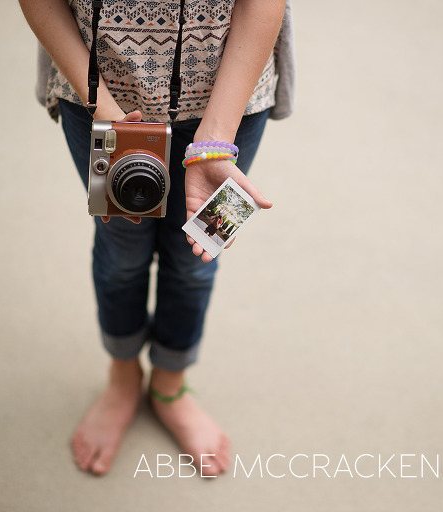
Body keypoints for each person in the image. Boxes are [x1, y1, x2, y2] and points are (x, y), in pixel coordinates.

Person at [18, 0, 294, 477]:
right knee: (121, 252)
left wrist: (215, 137)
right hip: (101, 94)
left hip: (230, 99)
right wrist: (108, 116)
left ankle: (169, 383)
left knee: (197, 256)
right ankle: (124, 376)